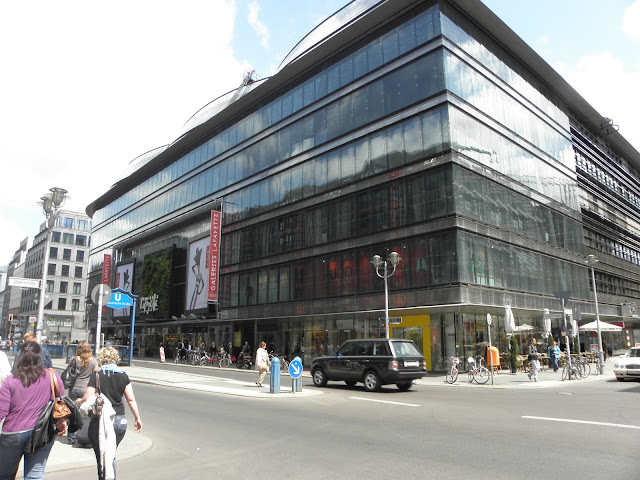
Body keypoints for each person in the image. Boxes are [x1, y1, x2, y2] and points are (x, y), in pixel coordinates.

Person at [0, 341, 67, 479]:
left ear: (20, 356)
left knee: (5, 475)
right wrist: (62, 422)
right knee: (34, 475)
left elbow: (1, 411)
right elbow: (60, 401)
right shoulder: (52, 375)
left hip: (14, 433)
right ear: (39, 356)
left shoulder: (10, 381)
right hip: (42, 432)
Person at [77, 346, 142, 480]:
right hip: (119, 421)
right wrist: (137, 418)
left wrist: (79, 401)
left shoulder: (96, 375)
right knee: (110, 454)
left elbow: (87, 397)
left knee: (102, 457)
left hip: (100, 420)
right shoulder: (123, 375)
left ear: (101, 359)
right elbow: (130, 399)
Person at [66, 341, 99, 444]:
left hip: (74, 388)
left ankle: (71, 438)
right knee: (86, 413)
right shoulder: (94, 361)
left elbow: (68, 372)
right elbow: (96, 376)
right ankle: (84, 436)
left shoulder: (73, 360)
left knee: (72, 414)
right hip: (87, 390)